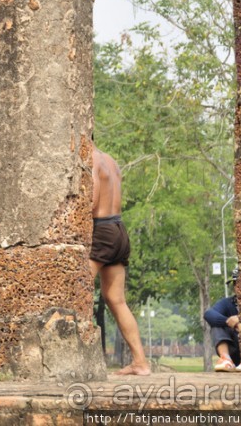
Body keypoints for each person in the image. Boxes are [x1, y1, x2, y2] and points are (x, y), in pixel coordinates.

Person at [89, 144, 150, 376]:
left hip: (101, 230)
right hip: (118, 228)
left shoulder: (91, 159)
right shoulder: (110, 159)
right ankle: (140, 362)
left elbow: (92, 200)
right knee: (116, 299)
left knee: (77, 288)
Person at [205, 268, 241, 372]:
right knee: (217, 323)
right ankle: (226, 359)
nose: (239, 287)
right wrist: (229, 322)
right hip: (236, 349)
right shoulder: (228, 303)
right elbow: (209, 314)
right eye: (236, 284)